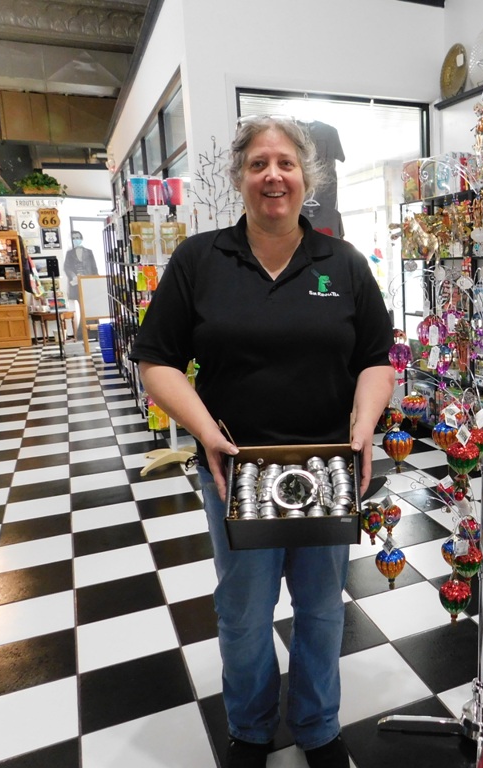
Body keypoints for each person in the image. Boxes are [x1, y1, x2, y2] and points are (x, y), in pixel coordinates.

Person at [130, 115, 394, 768]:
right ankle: (250, 729)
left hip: (327, 471)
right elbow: (156, 360)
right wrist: (206, 431)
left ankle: (317, 726)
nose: (273, 176)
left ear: (307, 177)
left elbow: (376, 359)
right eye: (258, 164)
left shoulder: (343, 262)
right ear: (240, 177)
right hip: (237, 472)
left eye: (285, 163)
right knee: (244, 612)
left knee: (321, 610)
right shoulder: (200, 262)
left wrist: (364, 425)